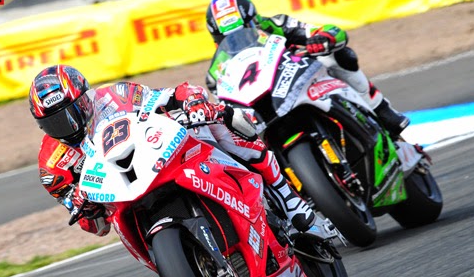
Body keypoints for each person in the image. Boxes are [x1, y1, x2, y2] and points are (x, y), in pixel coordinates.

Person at [28, 64, 338, 240]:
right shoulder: (51, 165)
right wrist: (86, 206)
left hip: (157, 159)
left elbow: (165, 97)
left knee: (217, 124)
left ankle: (289, 200)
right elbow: (96, 228)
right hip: (124, 199)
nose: (66, 125)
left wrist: (191, 103)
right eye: (54, 122)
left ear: (84, 99)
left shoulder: (114, 96)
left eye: (70, 112)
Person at [204, 0, 410, 138]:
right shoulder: (215, 74)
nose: (239, 39)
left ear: (254, 21)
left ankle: (381, 110)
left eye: (245, 29)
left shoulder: (276, 25)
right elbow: (225, 110)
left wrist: (323, 38)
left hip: (300, 78)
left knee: (339, 55)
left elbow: (326, 31)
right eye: (228, 37)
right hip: (260, 107)